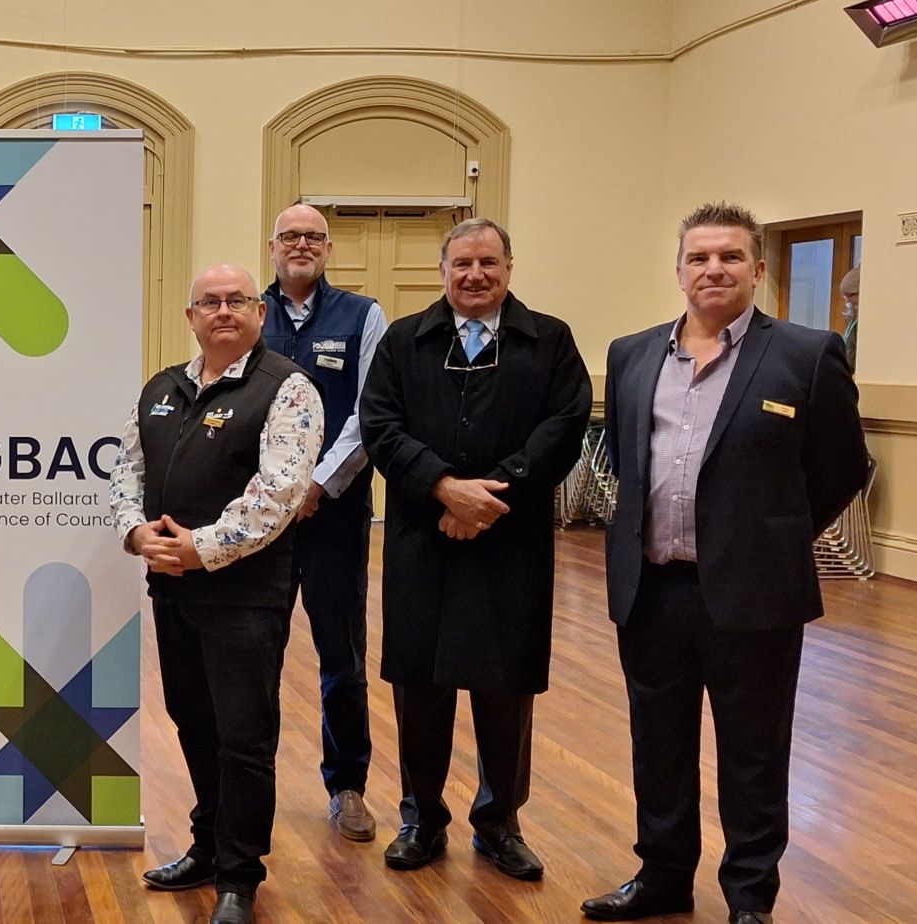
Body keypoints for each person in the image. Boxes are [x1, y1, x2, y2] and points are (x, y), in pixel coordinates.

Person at [582, 202, 868, 924]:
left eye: (731, 257)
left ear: (758, 269)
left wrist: (771, 537)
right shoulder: (632, 354)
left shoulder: (806, 353)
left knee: (753, 755)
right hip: (652, 589)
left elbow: (839, 467)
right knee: (660, 747)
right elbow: (623, 456)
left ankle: (749, 899)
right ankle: (663, 879)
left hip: (755, 595)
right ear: (678, 270)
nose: (714, 269)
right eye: (700, 258)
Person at [357, 218, 591, 882]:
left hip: (510, 543)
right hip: (421, 539)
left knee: (505, 685)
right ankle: (421, 817)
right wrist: (442, 487)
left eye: (489, 262)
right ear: (443, 270)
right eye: (462, 263)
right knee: (421, 684)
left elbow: (565, 426)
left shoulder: (550, 342)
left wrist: (490, 497)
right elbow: (380, 425)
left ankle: (499, 823)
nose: (475, 274)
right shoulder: (405, 342)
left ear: (509, 268)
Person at [109, 264, 324, 924]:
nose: (223, 311)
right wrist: (138, 532)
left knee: (243, 736)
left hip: (245, 596)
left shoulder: (288, 389)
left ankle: (239, 873)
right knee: (194, 722)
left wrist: (198, 548)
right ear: (191, 317)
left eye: (237, 301)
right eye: (209, 302)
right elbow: (125, 472)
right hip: (172, 591)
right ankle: (205, 845)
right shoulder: (161, 389)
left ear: (260, 313)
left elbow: (280, 493)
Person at [258, 204, 388, 842]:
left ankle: (348, 787)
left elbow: (372, 412)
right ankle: (250, 793)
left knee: (343, 657)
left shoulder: (363, 317)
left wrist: (315, 484)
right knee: (256, 655)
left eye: (312, 236)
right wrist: (273, 495)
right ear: (272, 246)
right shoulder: (247, 314)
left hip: (334, 515)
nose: (301, 245)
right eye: (290, 236)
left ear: (328, 248)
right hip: (259, 523)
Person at [838, 265, 859, 370]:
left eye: (851, 295)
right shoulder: (853, 320)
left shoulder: (862, 323)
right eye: (845, 297)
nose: (848, 301)